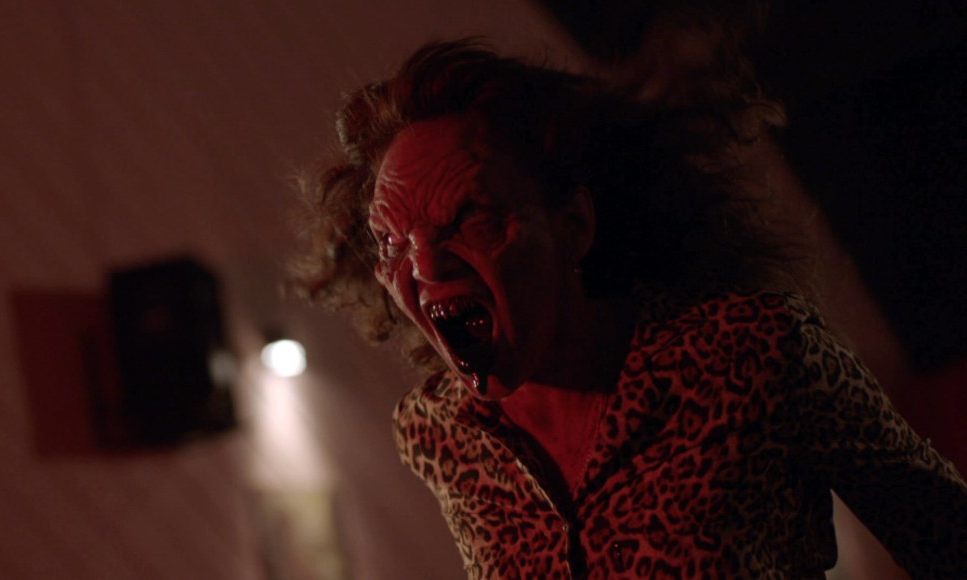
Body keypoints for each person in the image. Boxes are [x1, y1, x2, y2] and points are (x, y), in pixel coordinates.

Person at [295, 40, 967, 578]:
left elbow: (947, 537)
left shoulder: (752, 349)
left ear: (573, 226)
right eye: (392, 242)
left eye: (470, 215)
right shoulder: (437, 431)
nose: (427, 269)